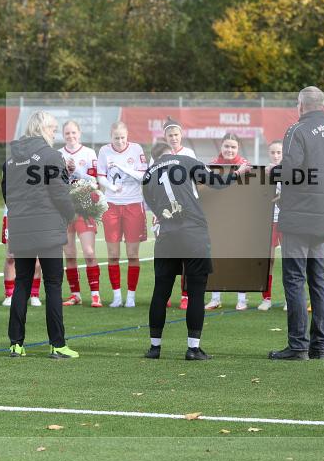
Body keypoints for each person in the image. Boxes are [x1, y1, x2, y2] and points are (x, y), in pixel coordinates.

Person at [141, 142, 237, 360]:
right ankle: (193, 348)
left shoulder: (147, 175)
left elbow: (153, 206)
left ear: (154, 158)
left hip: (167, 236)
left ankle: (154, 348)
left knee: (160, 291)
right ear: (171, 152)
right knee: (196, 291)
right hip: (193, 233)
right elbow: (217, 182)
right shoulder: (184, 160)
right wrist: (238, 173)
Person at [269, 87, 324, 361]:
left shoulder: (296, 131)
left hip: (298, 217)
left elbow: (291, 171)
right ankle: (320, 347)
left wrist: (272, 173)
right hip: (323, 215)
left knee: (294, 279)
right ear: (322, 105)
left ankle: (298, 345)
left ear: (301, 105)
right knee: (318, 282)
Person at [4, 110, 78, 359]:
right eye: (52, 128)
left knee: (22, 283)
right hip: (47, 229)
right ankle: (57, 344)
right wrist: (71, 214)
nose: (55, 133)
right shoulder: (51, 156)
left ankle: (16, 343)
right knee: (53, 285)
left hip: (22, 228)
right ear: (41, 129)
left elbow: (7, 193)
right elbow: (60, 193)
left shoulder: (11, 159)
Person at [96, 121, 148, 308]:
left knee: (133, 254)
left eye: (122, 137)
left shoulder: (136, 149)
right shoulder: (104, 151)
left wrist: (124, 168)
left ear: (128, 136)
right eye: (116, 138)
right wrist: (110, 186)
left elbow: (144, 175)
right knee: (113, 254)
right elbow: (100, 175)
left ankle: (131, 296)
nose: (119, 141)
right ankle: (117, 295)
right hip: (111, 206)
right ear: (111, 137)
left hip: (133, 204)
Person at [205, 132, 251, 311]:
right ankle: (215, 298)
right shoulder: (212, 165)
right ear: (221, 147)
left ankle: (242, 299)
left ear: (238, 148)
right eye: (226, 146)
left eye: (233, 147)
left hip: (238, 217)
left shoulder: (246, 166)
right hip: (217, 217)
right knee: (215, 258)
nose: (229, 150)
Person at [59, 120, 102, 308]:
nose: (71, 136)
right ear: (63, 135)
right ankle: (75, 294)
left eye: (73, 133)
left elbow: (95, 182)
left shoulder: (89, 153)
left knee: (89, 252)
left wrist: (76, 171)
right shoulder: (58, 155)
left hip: (84, 208)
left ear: (80, 133)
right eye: (67, 133)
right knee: (69, 253)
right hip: (64, 209)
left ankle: (95, 294)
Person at [161, 117, 197, 310]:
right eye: (170, 135)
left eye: (176, 134)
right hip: (166, 212)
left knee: (186, 254)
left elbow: (196, 178)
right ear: (164, 136)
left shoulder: (189, 153)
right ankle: (165, 294)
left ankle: (185, 295)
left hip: (186, 211)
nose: (174, 138)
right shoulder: (159, 154)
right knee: (167, 254)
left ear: (181, 135)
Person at [0, 206, 44, 307]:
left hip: (35, 214)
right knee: (10, 257)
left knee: (36, 256)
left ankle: (34, 294)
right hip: (12, 213)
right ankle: (9, 294)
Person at [259, 140, 283, 311]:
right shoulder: (264, 172)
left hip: (288, 220)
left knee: (292, 260)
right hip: (269, 220)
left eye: (279, 152)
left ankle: (291, 299)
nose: (276, 156)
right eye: (273, 152)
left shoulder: (290, 172)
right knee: (269, 260)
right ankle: (266, 298)